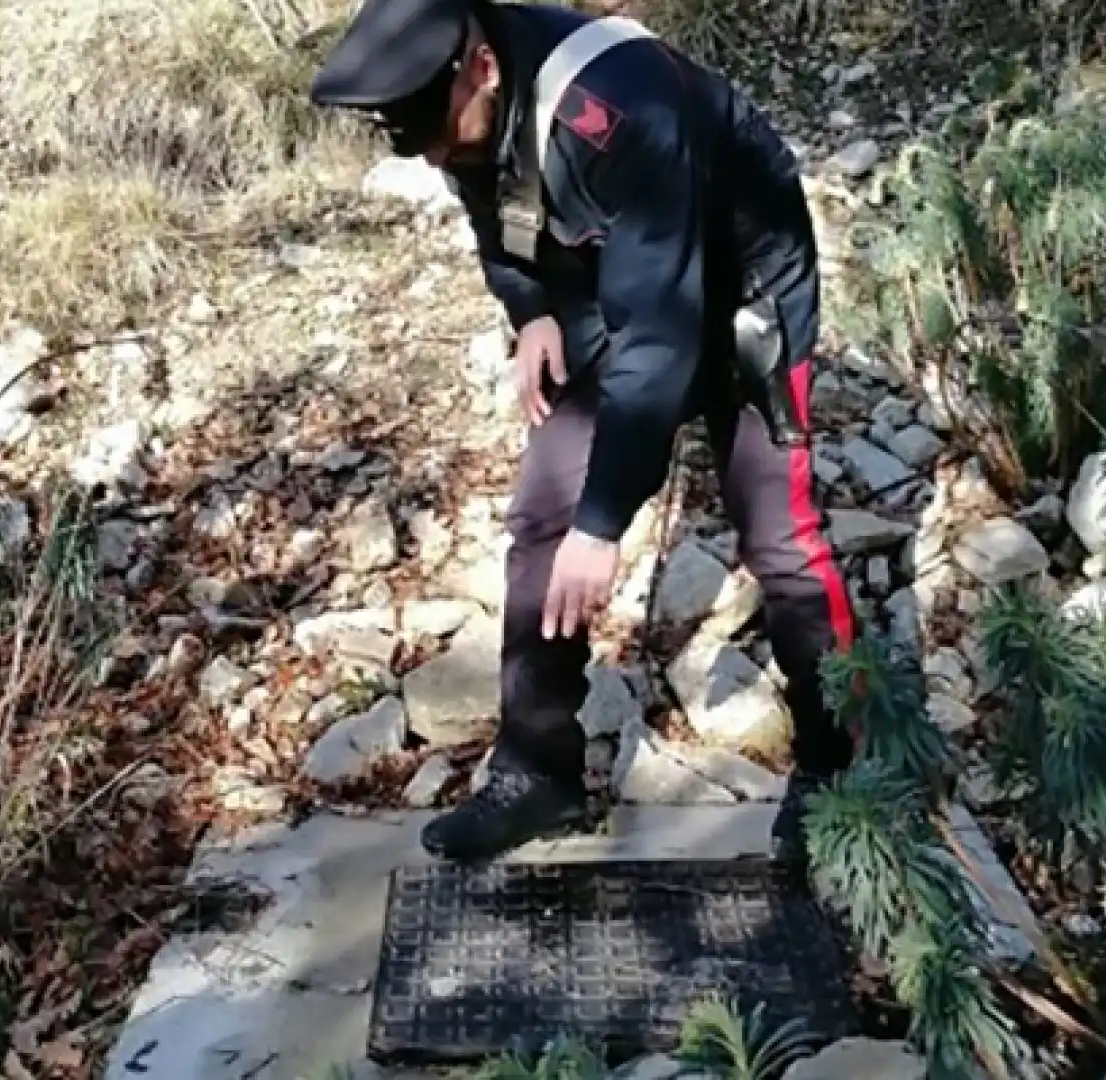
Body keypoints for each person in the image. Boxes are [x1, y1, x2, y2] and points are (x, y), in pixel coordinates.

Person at [309, 0, 860, 869]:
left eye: (436, 135)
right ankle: (537, 772)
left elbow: (662, 340)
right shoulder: (463, 103)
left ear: (481, 69)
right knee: (540, 522)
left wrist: (605, 522)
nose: (435, 157)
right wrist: (529, 311)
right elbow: (495, 217)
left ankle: (843, 769)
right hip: (616, 278)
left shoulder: (618, 107)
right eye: (415, 144)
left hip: (750, 288)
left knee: (780, 539)